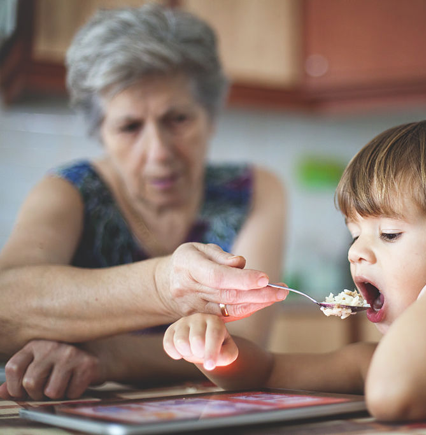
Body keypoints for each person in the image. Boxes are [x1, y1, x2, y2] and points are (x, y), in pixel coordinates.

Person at [162, 121, 426, 434]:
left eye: (389, 233)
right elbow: (268, 371)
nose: (354, 252)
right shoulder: (374, 361)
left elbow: (396, 396)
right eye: (355, 233)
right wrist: (214, 349)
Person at [0, 4, 288, 400]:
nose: (158, 153)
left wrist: (106, 356)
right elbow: (5, 302)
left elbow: (241, 343)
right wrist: (164, 285)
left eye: (178, 119)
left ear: (211, 117)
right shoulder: (70, 191)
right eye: (129, 127)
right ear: (100, 133)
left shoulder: (255, 190)